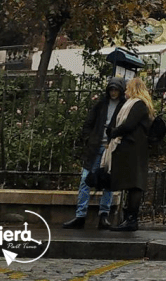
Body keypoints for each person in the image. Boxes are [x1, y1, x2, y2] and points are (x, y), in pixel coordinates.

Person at [63, 76, 126, 229]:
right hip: (95, 147)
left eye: (116, 90)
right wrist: (89, 139)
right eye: (111, 89)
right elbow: (88, 123)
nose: (113, 92)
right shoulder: (100, 105)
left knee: (107, 182)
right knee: (85, 179)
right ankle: (80, 215)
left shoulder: (123, 106)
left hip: (111, 148)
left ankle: (104, 215)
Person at [104, 77, 155, 232]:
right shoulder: (136, 104)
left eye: (127, 88)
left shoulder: (139, 104)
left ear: (133, 89)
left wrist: (114, 132)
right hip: (132, 148)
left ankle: (131, 219)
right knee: (131, 183)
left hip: (134, 149)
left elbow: (129, 125)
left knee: (134, 184)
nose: (125, 91)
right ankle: (128, 219)